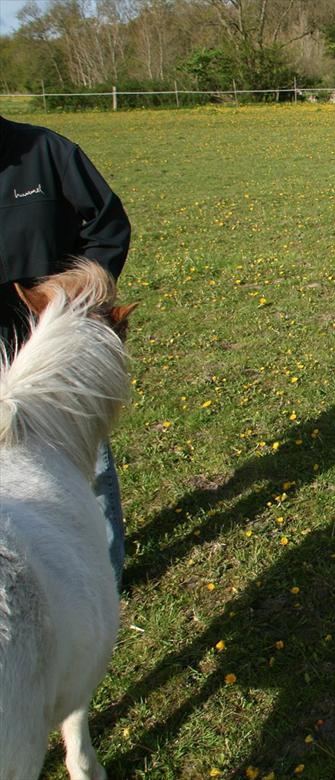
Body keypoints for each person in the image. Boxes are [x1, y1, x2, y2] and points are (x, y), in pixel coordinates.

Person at [0, 114, 132, 587]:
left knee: (86, 459)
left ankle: (102, 574)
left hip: (52, 346)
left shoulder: (47, 152)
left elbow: (108, 223)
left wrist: (76, 298)